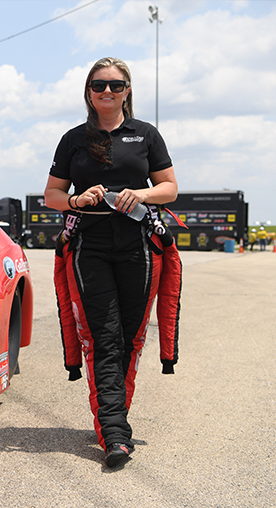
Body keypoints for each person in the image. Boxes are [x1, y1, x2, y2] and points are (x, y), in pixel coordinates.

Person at [45, 56, 180, 469]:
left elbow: (170, 188)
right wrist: (76, 200)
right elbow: (51, 195)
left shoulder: (146, 135)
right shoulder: (72, 139)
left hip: (138, 243)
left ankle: (112, 420)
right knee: (103, 337)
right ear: (88, 92)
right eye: (99, 85)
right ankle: (116, 434)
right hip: (91, 245)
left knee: (130, 337)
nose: (107, 92)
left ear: (128, 90)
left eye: (116, 85)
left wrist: (141, 194)